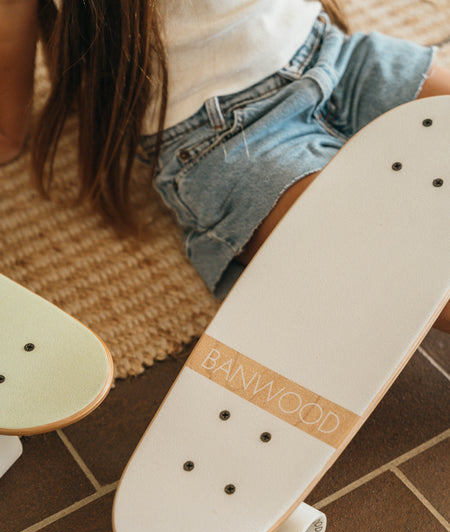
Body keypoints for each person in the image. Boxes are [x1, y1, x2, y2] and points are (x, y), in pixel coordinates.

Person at [1, 0, 449, 330]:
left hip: (334, 53)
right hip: (220, 141)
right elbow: (9, 24)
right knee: (397, 270)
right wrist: (8, 130)